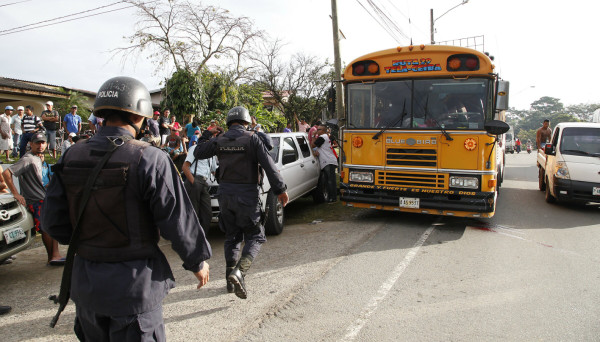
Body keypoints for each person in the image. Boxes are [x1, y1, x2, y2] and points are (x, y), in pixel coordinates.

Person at [41, 76, 211, 340]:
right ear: (138, 114)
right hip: (134, 289)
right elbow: (176, 218)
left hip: (87, 286)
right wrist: (196, 261)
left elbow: (53, 223)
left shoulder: (71, 154)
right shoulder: (150, 158)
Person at [194, 106, 288, 299]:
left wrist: (206, 133)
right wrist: (280, 190)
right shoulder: (253, 138)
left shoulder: (219, 140)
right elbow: (270, 166)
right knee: (255, 236)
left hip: (225, 196)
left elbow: (199, 152)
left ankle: (230, 281)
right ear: (246, 122)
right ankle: (239, 272)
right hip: (247, 195)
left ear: (228, 123)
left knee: (232, 236)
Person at [2, 132, 64, 265]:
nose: (40, 145)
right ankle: (52, 257)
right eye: (37, 143)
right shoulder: (28, 159)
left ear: (46, 144)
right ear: (31, 144)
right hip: (36, 200)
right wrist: (16, 193)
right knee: (45, 228)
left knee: (51, 226)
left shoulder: (39, 158)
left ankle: (56, 255)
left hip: (44, 197)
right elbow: (7, 173)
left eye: (42, 143)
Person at [182, 143, 217, 236]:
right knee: (193, 213)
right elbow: (185, 167)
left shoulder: (212, 154)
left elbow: (214, 170)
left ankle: (201, 237)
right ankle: (191, 240)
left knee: (207, 214)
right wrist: (193, 182)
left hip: (204, 183)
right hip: (194, 180)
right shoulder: (195, 148)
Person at [311, 124, 338, 203]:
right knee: (329, 180)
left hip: (328, 161)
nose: (317, 130)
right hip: (328, 161)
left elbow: (313, 145)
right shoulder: (325, 137)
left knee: (330, 181)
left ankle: (332, 198)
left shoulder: (322, 137)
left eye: (318, 129)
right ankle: (331, 197)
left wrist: (313, 135)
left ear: (322, 131)